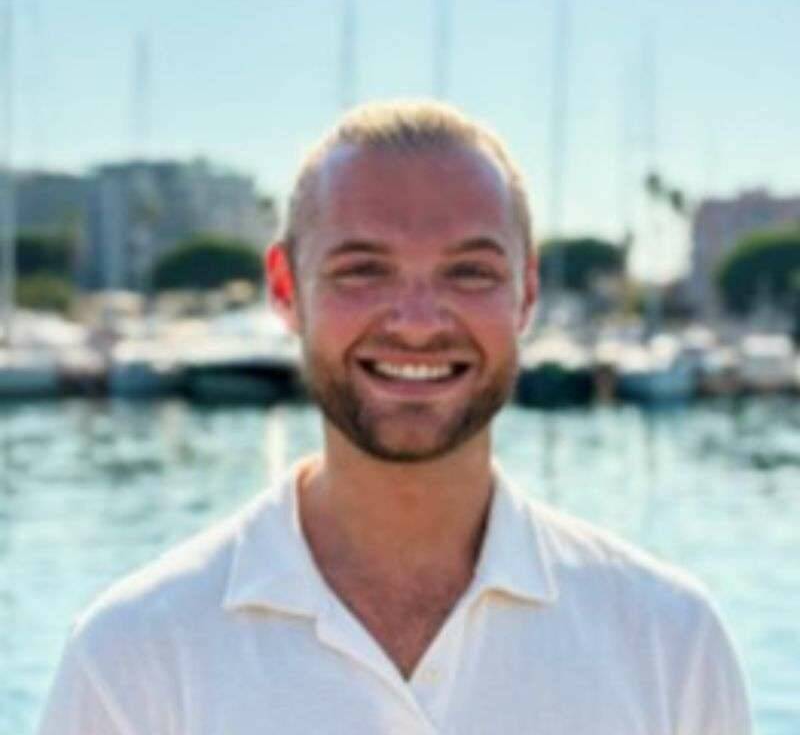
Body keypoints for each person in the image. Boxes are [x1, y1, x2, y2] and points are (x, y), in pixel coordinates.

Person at [38, 101, 752, 734]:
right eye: (362, 270)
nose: (416, 323)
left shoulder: (669, 643)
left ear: (527, 293)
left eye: (469, 272)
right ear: (286, 289)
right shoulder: (132, 658)